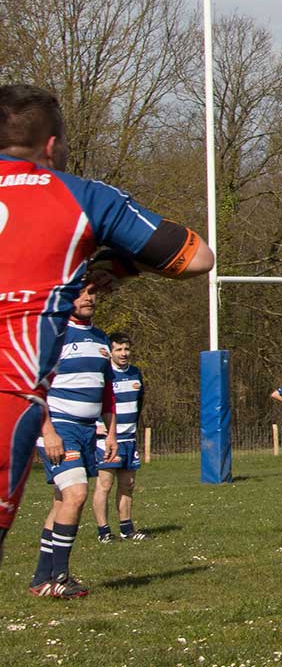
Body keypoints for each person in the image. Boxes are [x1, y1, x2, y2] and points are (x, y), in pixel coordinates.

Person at [0, 83, 212, 564]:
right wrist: (119, 265)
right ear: (52, 145)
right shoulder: (82, 197)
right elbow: (197, 257)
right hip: (8, 393)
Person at [29, 287, 117, 597]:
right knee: (77, 494)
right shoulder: (54, 334)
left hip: (87, 429)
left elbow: (107, 391)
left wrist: (112, 432)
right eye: (81, 294)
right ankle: (60, 578)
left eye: (94, 293)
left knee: (62, 501)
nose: (89, 298)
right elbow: (34, 386)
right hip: (59, 427)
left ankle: (42, 579)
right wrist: (48, 431)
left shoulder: (102, 339)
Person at [92, 331, 148, 542]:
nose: (124, 353)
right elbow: (96, 403)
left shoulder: (136, 373)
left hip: (129, 439)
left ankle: (127, 529)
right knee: (104, 485)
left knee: (128, 484)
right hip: (107, 440)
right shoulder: (103, 375)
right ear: (110, 351)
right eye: (119, 349)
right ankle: (104, 532)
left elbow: (139, 403)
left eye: (127, 349)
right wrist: (98, 427)